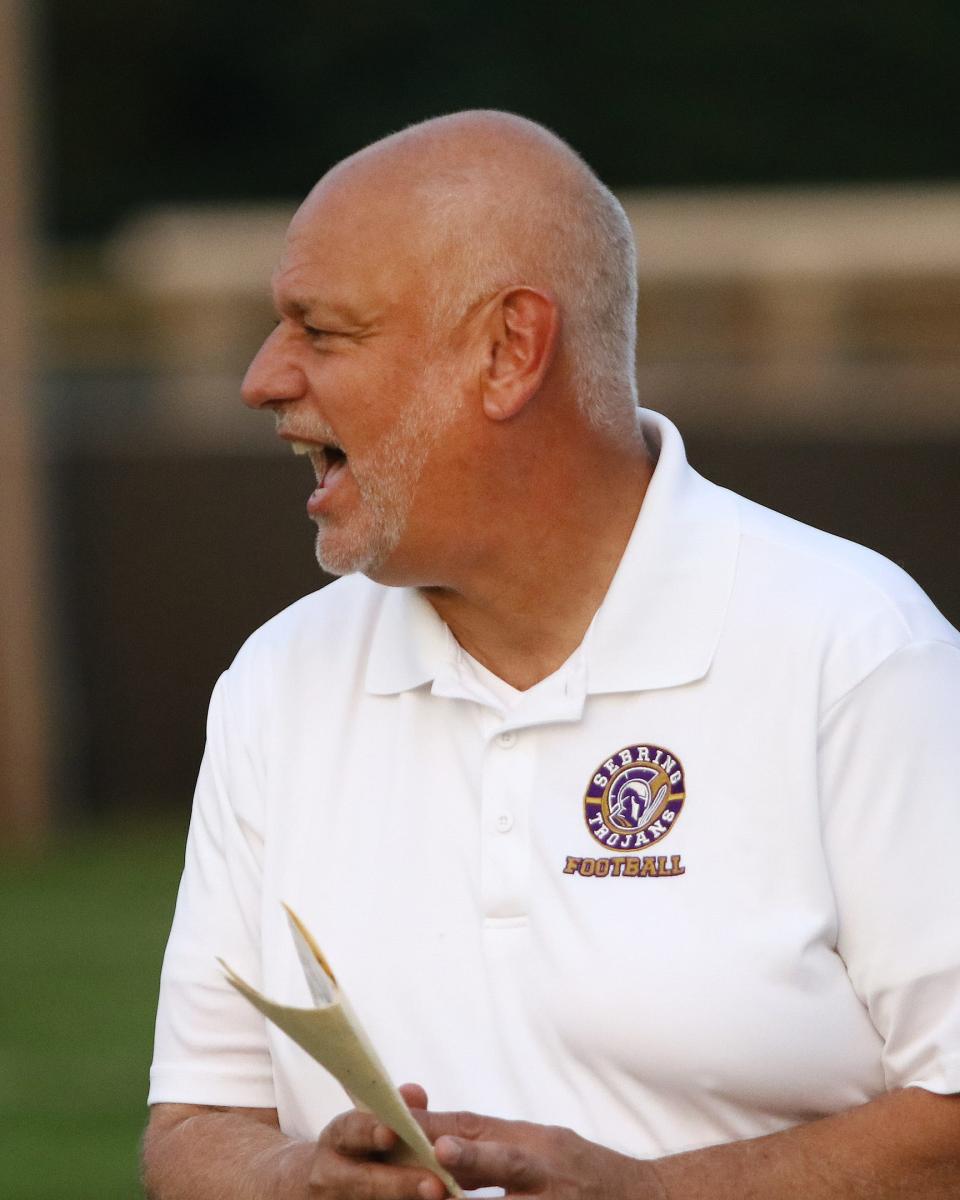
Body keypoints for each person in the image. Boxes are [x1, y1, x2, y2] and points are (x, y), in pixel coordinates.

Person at [142, 111, 960, 1199]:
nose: (263, 379)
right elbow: (195, 1123)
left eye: (322, 332)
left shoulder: (858, 651)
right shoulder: (277, 684)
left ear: (508, 351)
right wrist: (302, 1179)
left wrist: (654, 1193)